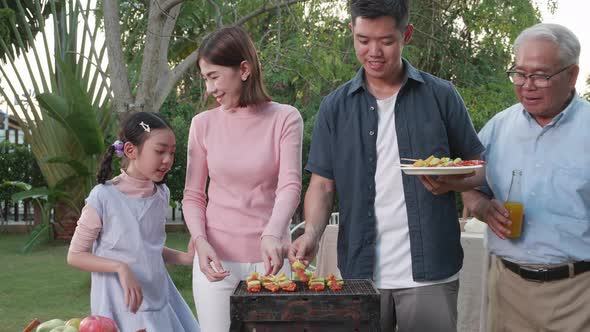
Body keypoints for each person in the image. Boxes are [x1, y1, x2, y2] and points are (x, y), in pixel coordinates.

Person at [288, 0, 485, 331]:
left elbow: (478, 169)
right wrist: (311, 233)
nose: (373, 52)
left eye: (386, 41)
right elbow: (322, 184)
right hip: (359, 272)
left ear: (406, 34)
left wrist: (453, 183)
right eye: (363, 40)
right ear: (351, 31)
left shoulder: (441, 95)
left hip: (430, 271)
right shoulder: (334, 107)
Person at [462, 23, 590, 331]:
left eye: (540, 75)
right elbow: (469, 185)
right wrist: (482, 208)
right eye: (519, 73)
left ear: (571, 75)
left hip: (579, 295)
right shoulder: (497, 128)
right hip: (507, 289)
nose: (526, 85)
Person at [182, 25, 303, 332]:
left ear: (244, 69)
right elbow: (194, 194)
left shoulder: (285, 118)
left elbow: (290, 185)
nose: (209, 89)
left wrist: (272, 234)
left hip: (271, 261)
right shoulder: (202, 125)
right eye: (205, 79)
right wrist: (200, 240)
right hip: (215, 263)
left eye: (214, 77)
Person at [67, 111, 200, 331]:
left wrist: (185, 258)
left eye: (172, 153)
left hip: (158, 300)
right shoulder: (103, 197)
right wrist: (120, 267)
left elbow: (147, 247)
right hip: (119, 306)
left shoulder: (161, 194)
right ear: (131, 150)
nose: (167, 160)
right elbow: (75, 255)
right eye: (159, 151)